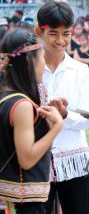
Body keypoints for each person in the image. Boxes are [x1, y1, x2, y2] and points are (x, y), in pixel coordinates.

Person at [34, 1, 89, 214]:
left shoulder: (80, 70)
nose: (60, 40)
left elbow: (87, 119)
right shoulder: (29, 69)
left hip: (72, 158)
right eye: (53, 33)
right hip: (36, 159)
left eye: (66, 33)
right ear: (39, 31)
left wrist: (64, 114)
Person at [0, 28, 63, 213]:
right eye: (42, 57)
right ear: (29, 61)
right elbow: (26, 159)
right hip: (22, 203)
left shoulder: (6, 97)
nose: (44, 65)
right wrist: (57, 127)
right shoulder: (22, 105)